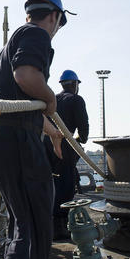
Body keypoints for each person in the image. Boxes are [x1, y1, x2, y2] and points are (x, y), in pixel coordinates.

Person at [0, 0, 71, 259]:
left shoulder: (6, 47)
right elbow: (27, 77)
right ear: (54, 16)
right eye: (59, 24)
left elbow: (20, 105)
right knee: (34, 225)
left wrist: (52, 131)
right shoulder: (37, 34)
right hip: (16, 141)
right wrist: (50, 97)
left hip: (1, 137)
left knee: (22, 222)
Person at [43, 69, 89, 240]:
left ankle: (50, 222)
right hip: (64, 143)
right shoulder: (76, 100)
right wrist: (81, 139)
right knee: (66, 184)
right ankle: (59, 226)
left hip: (46, 143)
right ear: (75, 84)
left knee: (51, 183)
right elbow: (83, 123)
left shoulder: (53, 99)